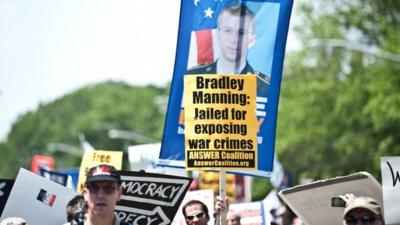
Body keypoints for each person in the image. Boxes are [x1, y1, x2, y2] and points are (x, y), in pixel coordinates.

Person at [186, 3, 270, 97]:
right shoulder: (192, 78)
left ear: (251, 40)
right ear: (218, 35)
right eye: (227, 31)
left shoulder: (265, 87)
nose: (233, 39)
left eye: (241, 32)